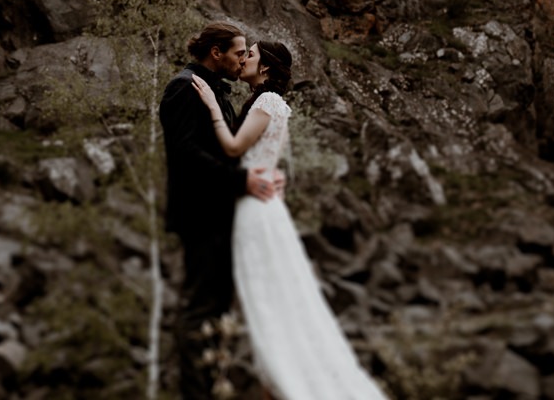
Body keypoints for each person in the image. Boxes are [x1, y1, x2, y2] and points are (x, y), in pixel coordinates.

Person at [191, 40, 386, 400]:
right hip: (262, 205)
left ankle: (283, 383)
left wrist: (211, 107)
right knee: (273, 299)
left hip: (254, 210)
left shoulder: (266, 102)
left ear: (265, 67)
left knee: (265, 301)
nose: (245, 58)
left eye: (251, 54)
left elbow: (233, 149)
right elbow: (262, 162)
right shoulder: (273, 104)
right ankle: (275, 383)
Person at [160, 22, 281, 400]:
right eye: (238, 51)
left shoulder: (215, 91)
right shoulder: (184, 87)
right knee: (200, 307)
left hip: (221, 217)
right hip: (201, 215)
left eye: (248, 53)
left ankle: (212, 387)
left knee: (216, 308)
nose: (243, 58)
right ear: (217, 53)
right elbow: (185, 153)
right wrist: (239, 181)